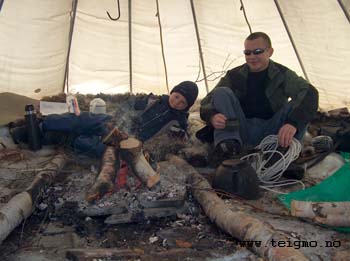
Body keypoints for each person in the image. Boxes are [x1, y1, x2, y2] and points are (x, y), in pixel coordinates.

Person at [198, 32, 318, 161]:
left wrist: (292, 123)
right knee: (221, 92)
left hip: (272, 130)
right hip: (240, 128)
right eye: (247, 53)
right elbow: (207, 101)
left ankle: (285, 156)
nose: (252, 57)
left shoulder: (282, 74)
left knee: (303, 102)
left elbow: (309, 93)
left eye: (257, 51)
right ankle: (228, 148)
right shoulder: (235, 75)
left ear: (270, 52)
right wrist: (212, 115)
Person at [10, 81, 199, 157]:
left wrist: (137, 143)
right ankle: (40, 124)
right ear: (171, 93)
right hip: (115, 122)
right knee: (83, 119)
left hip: (130, 141)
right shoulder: (152, 100)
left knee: (90, 144)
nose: (176, 103)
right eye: (176, 97)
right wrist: (119, 119)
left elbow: (171, 143)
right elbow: (128, 105)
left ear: (187, 106)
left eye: (182, 102)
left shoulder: (179, 122)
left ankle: (50, 137)